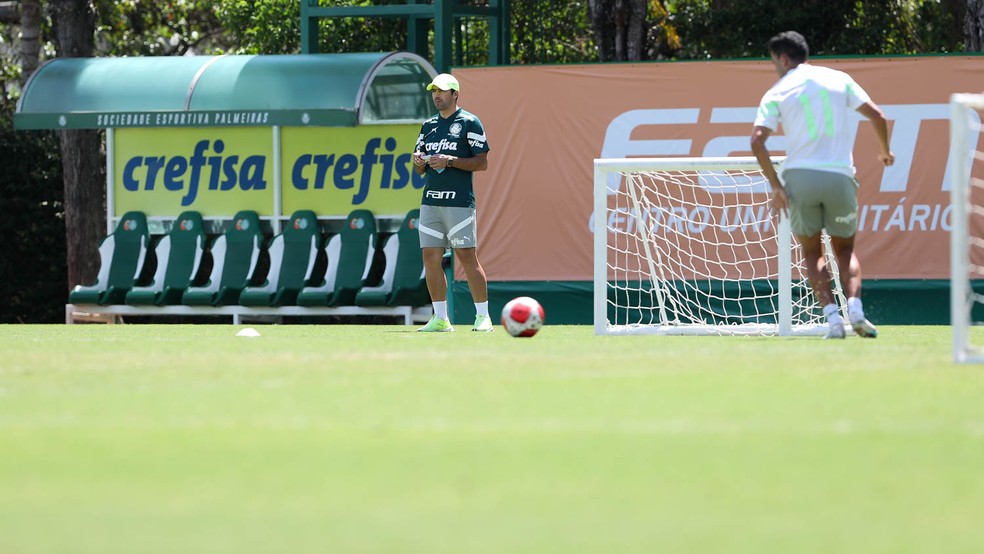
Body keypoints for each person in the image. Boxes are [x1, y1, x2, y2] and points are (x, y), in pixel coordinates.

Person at [750, 31, 894, 339]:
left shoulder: (777, 91)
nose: (775, 67)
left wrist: (776, 186)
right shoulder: (839, 79)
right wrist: (884, 151)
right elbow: (878, 117)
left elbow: (757, 141)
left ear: (783, 59)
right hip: (840, 175)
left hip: (800, 177)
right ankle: (855, 310)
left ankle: (833, 322)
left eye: (774, 62)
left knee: (812, 253)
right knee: (845, 251)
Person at [412, 73, 494, 332]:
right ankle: (440, 318)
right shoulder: (427, 125)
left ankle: (483, 317)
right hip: (430, 202)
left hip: (459, 202)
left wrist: (450, 161)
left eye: (442, 91)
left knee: (467, 257)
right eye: (434, 91)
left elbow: (482, 162)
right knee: (430, 257)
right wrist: (418, 162)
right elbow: (420, 170)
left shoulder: (469, 122)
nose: (437, 96)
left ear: (455, 94)